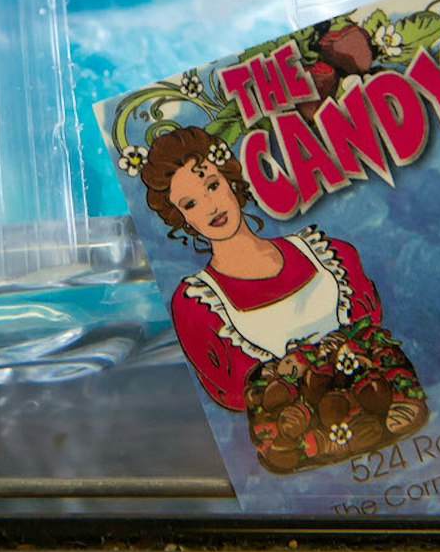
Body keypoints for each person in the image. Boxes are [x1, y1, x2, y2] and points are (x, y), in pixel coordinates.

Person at [139, 126, 385, 412]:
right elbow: (233, 394)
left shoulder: (332, 256)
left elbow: (372, 335)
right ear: (180, 218)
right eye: (190, 203)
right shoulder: (195, 305)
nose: (210, 206)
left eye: (212, 185)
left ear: (230, 181)